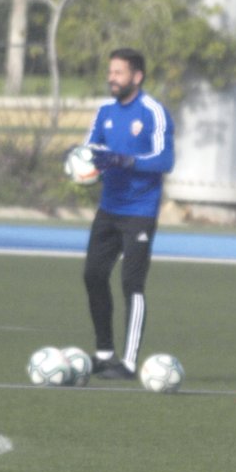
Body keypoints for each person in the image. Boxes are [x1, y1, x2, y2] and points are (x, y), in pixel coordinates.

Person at [81, 47, 174, 380]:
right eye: (110, 72)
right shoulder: (104, 111)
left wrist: (126, 160)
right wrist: (81, 163)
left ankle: (129, 362)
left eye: (118, 72)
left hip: (140, 212)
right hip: (109, 208)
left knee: (131, 284)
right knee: (93, 275)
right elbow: (90, 150)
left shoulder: (153, 112)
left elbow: (165, 161)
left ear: (137, 76)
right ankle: (104, 353)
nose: (111, 78)